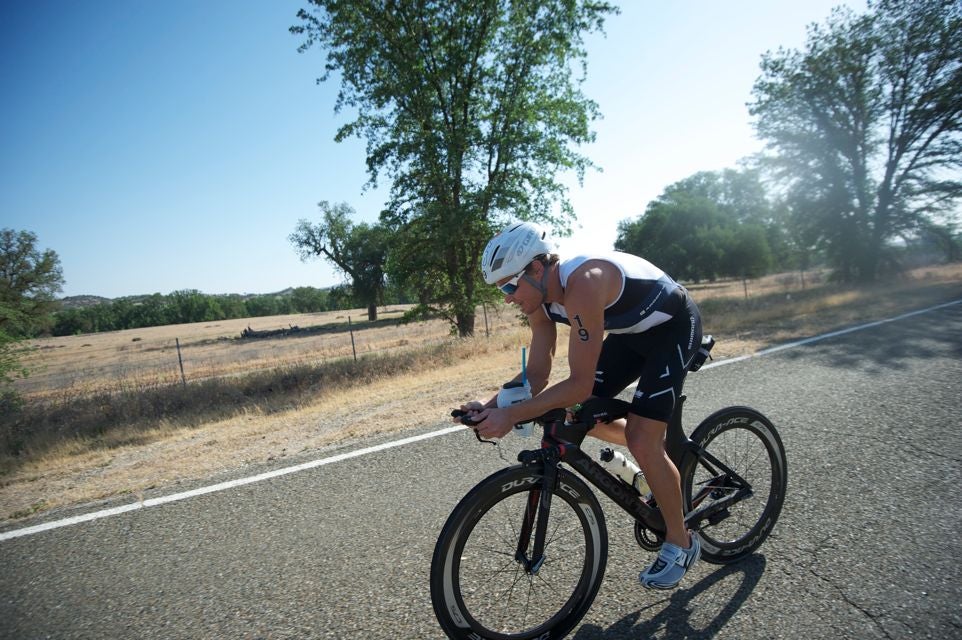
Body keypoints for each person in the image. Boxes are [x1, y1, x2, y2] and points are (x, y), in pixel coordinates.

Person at [456, 221, 704, 590]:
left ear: (537, 268)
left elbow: (579, 382)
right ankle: (658, 469)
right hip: (631, 336)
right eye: (499, 290)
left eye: (509, 285)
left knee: (641, 437)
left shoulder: (584, 282)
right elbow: (537, 373)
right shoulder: (538, 295)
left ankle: (681, 542)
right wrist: (491, 405)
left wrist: (511, 415)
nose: (506, 297)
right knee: (578, 414)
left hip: (673, 329)